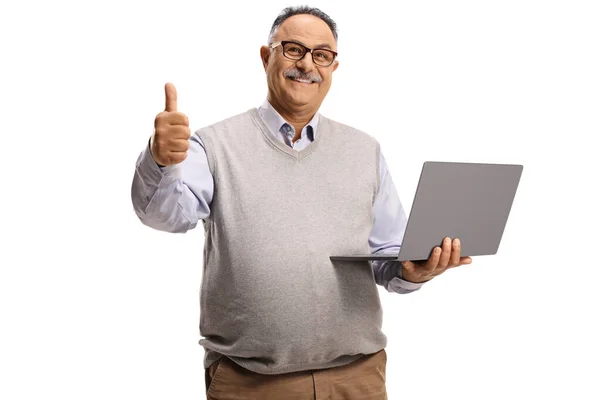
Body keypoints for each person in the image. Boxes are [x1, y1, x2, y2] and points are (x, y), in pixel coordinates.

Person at [130, 5, 472, 399]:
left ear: (333, 68)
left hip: (357, 378)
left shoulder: (365, 150)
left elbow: (388, 256)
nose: (307, 64)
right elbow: (165, 217)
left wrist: (417, 271)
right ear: (266, 56)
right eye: (293, 49)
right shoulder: (214, 145)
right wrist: (161, 160)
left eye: (321, 55)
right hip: (252, 383)